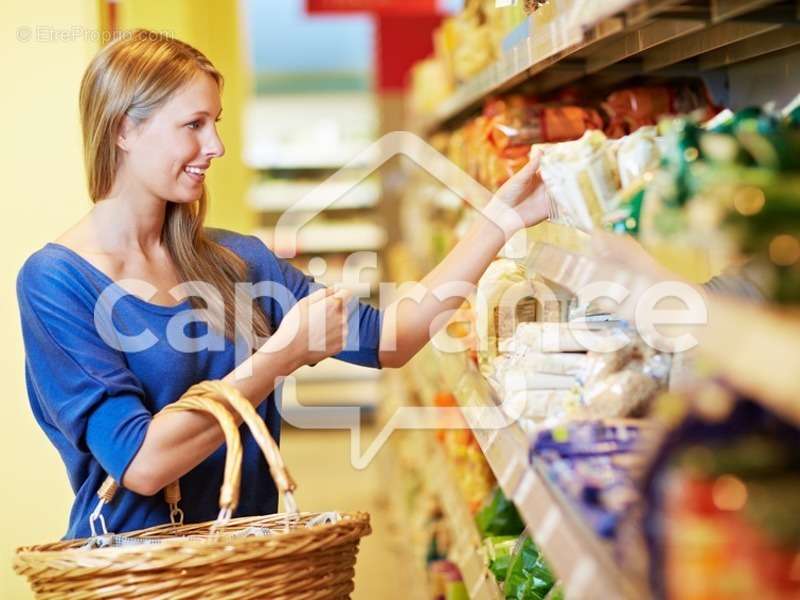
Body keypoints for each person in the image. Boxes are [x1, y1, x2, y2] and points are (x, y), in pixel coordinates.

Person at [16, 30, 549, 539]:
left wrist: (498, 222)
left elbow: (393, 337)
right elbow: (142, 462)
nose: (217, 145)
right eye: (194, 124)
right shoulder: (57, 283)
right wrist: (283, 355)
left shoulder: (236, 260)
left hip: (256, 565)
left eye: (216, 122)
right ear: (123, 130)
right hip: (142, 576)